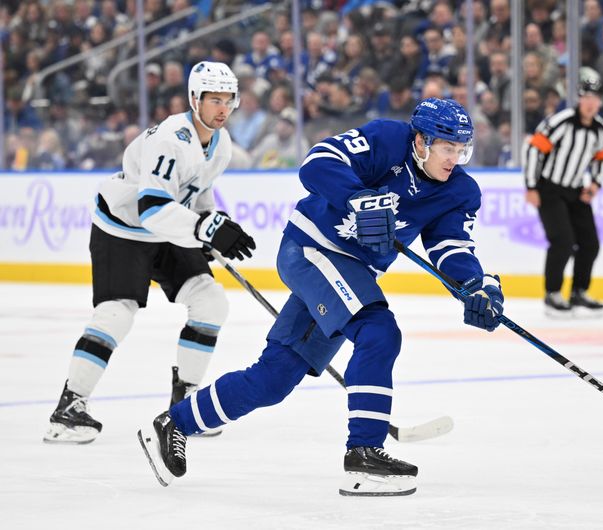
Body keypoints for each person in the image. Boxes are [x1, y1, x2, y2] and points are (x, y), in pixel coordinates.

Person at [138, 98, 505, 496]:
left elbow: (451, 247)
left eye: (461, 149)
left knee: (275, 377)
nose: (454, 159)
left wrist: (476, 286)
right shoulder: (387, 139)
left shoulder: (460, 191)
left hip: (352, 273)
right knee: (378, 331)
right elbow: (318, 162)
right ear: (420, 141)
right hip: (312, 248)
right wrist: (358, 198)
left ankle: (175, 423)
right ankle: (364, 453)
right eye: (447, 148)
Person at [43, 62, 257, 444]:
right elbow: (153, 209)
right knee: (116, 313)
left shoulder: (221, 143)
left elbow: (196, 193)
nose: (223, 108)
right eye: (214, 100)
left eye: (229, 100)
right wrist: (202, 228)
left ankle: (185, 406)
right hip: (123, 228)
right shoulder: (171, 139)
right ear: (195, 99)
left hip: (168, 228)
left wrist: (212, 223)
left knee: (211, 303)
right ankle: (68, 409)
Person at [523, 68, 603, 318]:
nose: (591, 103)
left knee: (590, 243)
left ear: (600, 102)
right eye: (587, 97)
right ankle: (552, 294)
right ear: (579, 99)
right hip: (549, 189)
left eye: (595, 98)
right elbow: (534, 150)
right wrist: (531, 186)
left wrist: (595, 184)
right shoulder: (560, 122)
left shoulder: (600, 129)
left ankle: (579, 292)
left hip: (576, 190)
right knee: (562, 241)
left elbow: (602, 156)